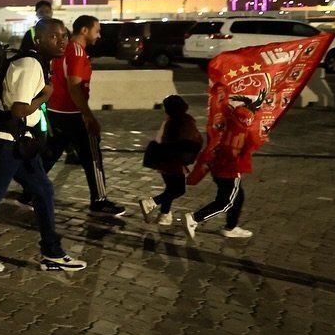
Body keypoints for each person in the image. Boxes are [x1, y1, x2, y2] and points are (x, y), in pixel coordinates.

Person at [0, 18, 88, 273]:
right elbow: (19, 109)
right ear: (39, 39)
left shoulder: (37, 62)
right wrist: (45, 96)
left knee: (43, 191)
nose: (62, 40)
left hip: (21, 143)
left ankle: (52, 252)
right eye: (55, 36)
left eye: (64, 35)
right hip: (5, 142)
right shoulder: (30, 65)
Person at [39, 15, 127, 218]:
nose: (99, 35)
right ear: (85, 31)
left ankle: (29, 191)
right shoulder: (77, 52)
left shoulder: (63, 49)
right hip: (73, 113)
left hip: (56, 111)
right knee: (92, 157)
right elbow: (75, 86)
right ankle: (99, 200)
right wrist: (88, 116)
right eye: (97, 30)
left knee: (50, 154)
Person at [184, 110, 252, 240]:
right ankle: (194, 218)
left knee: (238, 197)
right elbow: (247, 148)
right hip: (230, 171)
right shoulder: (240, 132)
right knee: (227, 202)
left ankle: (231, 227)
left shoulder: (225, 128)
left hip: (219, 169)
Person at [139, 94, 201, 225]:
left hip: (162, 160)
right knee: (178, 190)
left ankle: (164, 215)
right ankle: (151, 203)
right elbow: (191, 140)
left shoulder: (169, 121)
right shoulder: (185, 121)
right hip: (173, 160)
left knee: (170, 188)